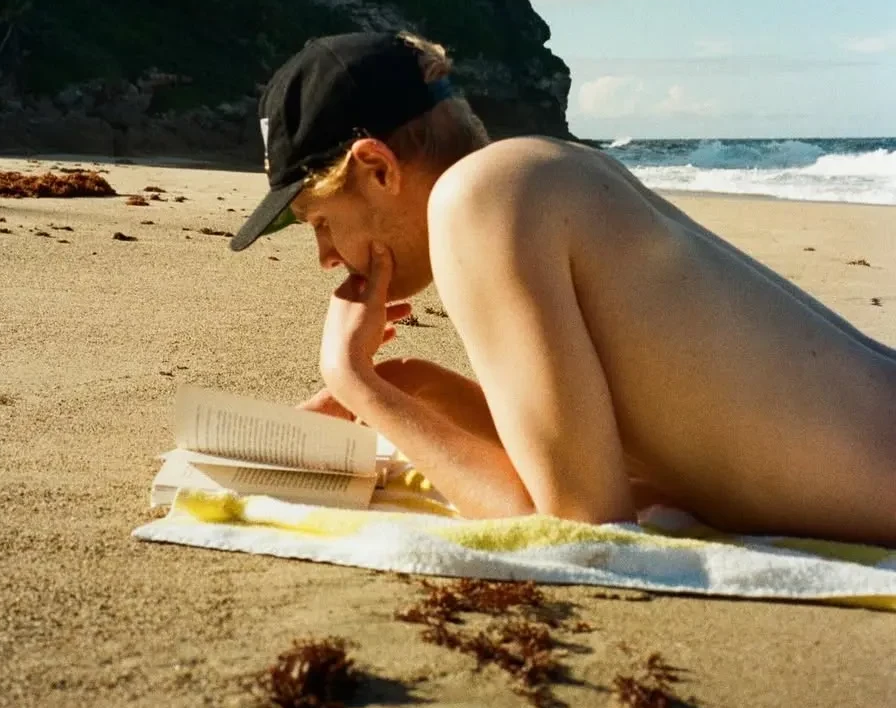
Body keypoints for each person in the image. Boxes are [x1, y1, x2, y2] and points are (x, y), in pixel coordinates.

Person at [230, 30, 896, 543]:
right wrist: (413, 387)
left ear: (377, 168)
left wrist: (356, 382)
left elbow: (574, 524)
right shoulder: (535, 170)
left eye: (321, 222)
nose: (325, 257)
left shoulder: (477, 198)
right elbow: (593, 458)